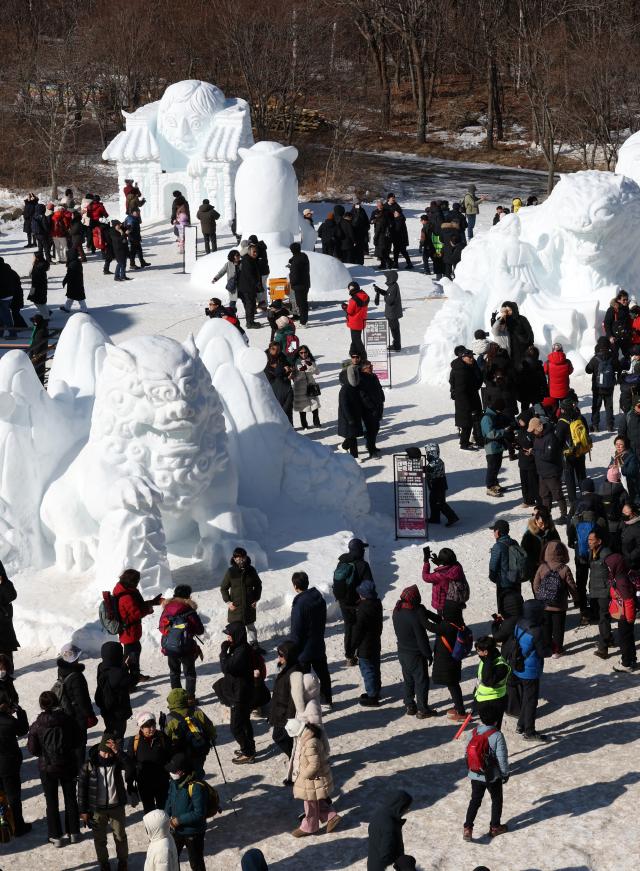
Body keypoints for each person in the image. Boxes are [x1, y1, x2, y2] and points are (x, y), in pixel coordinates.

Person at [27, 690, 81, 847]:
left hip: (47, 766)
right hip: (68, 763)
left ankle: (55, 836)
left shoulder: (37, 725)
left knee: (51, 802)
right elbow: (78, 740)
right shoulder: (68, 720)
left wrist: (44, 754)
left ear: (42, 705)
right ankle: (73, 832)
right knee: (70, 797)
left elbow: (32, 749)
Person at [78, 731, 134, 871]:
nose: (107, 756)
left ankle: (123, 862)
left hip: (117, 807)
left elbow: (131, 766)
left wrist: (117, 751)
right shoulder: (89, 765)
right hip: (97, 809)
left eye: (110, 753)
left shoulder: (116, 761)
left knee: (120, 836)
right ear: (99, 750)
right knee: (100, 839)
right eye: (105, 753)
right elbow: (82, 790)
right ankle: (104, 863)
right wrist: (83, 811)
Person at [463, 706, 509, 841]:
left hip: (475, 773)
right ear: (496, 720)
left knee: (475, 800)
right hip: (492, 776)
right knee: (496, 800)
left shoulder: (473, 732)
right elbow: (502, 757)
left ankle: (467, 828)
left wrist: (472, 770)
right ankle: (495, 827)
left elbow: (467, 754)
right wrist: (505, 773)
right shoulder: (497, 735)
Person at [290, 719, 341, 837]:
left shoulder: (309, 743)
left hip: (312, 779)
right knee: (317, 799)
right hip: (317, 778)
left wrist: (304, 775)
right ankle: (331, 816)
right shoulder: (310, 737)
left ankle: (309, 827)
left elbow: (314, 764)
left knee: (310, 804)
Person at [392, 586, 436, 718]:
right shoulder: (413, 616)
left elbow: (421, 610)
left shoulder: (397, 610)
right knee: (421, 681)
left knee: (408, 679)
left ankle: (410, 705)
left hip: (402, 651)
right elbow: (421, 639)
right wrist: (428, 654)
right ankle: (423, 709)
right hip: (415, 654)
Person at [290, 571, 332, 705]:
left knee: (303, 678)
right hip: (318, 643)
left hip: (304, 649)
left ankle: (305, 703)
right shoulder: (319, 598)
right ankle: (327, 700)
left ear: (296, 586)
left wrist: (293, 648)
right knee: (323, 674)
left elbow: (296, 629)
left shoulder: (299, 605)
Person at [112, 568, 162, 681]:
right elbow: (137, 613)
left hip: (131, 630)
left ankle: (134, 675)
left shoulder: (126, 590)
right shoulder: (126, 596)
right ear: (132, 581)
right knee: (130, 655)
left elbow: (137, 606)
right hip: (129, 631)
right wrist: (149, 609)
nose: (138, 582)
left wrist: (152, 602)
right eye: (137, 580)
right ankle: (126, 680)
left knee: (133, 652)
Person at [55, 642, 97, 772]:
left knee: (70, 741)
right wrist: (90, 715)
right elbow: (82, 699)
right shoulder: (77, 676)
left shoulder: (61, 670)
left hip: (66, 712)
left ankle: (71, 766)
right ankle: (79, 770)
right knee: (79, 743)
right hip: (77, 715)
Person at [423, 601, 468, 721]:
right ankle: (458, 707)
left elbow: (430, 626)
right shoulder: (456, 622)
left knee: (453, 685)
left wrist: (420, 615)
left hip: (448, 662)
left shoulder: (446, 627)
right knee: (453, 684)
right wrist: (426, 612)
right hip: (453, 660)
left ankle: (461, 712)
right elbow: (439, 619)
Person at [511, 600, 549, 741]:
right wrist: (550, 650)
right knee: (531, 700)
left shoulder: (519, 623)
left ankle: (521, 725)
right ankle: (529, 731)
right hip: (530, 670)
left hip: (518, 666)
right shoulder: (536, 631)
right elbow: (542, 652)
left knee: (526, 698)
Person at [217, 623, 255, 763]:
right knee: (244, 722)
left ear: (237, 636)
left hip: (240, 695)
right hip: (240, 692)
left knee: (236, 727)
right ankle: (249, 747)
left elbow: (227, 668)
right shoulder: (239, 648)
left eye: (230, 635)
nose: (228, 638)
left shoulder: (242, 651)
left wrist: (223, 653)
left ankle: (248, 752)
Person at [532, 541, 577, 656]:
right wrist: (576, 597)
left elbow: (535, 584)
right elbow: (571, 585)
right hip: (560, 605)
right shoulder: (564, 568)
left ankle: (547, 647)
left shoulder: (542, 567)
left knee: (546, 627)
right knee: (558, 628)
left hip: (545, 604)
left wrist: (540, 596)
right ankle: (557, 650)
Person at [163, 753, 207, 871]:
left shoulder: (196, 787)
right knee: (172, 859)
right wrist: (165, 815)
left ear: (183, 771)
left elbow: (199, 813)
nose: (171, 773)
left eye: (174, 771)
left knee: (196, 863)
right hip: (176, 830)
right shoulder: (173, 782)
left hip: (193, 832)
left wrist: (179, 820)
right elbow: (169, 800)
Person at [333, 538, 373, 666]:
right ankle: (360, 653)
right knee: (361, 627)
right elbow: (369, 584)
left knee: (349, 627)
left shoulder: (342, 561)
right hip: (358, 602)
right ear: (359, 550)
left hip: (343, 602)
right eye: (362, 549)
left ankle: (349, 656)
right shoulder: (363, 565)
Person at [159, 585, 204, 696]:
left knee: (174, 673)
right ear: (188, 596)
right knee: (189, 674)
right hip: (186, 648)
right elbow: (200, 630)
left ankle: (177, 698)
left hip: (170, 647)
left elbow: (161, 628)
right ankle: (190, 699)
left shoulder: (167, 609)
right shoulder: (189, 610)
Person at [126, 712, 171, 814]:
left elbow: (171, 756)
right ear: (141, 728)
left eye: (153, 725)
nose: (151, 729)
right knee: (149, 812)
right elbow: (130, 764)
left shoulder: (162, 737)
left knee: (164, 811)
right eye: (147, 726)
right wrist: (130, 784)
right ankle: (151, 830)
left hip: (162, 782)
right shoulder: (134, 741)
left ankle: (165, 829)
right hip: (144, 784)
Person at [164, 689, 216, 774]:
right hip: (199, 749)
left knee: (184, 773)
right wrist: (212, 738)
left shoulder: (170, 717)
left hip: (181, 753)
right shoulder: (196, 711)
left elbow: (166, 735)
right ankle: (198, 782)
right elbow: (210, 728)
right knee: (198, 769)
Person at [220, 547, 263, 651]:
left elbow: (258, 585)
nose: (241, 560)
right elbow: (223, 588)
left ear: (246, 557)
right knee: (235, 628)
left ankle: (254, 645)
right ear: (234, 559)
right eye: (238, 558)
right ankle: (235, 646)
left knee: (251, 626)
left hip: (249, 605)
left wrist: (255, 599)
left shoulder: (251, 570)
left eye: (242, 558)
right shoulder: (230, 572)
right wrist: (229, 602)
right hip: (236, 606)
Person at [529, 416, 568, 522]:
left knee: (557, 494)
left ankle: (564, 515)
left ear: (538, 428)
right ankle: (546, 515)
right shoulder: (537, 437)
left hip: (551, 472)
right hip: (542, 472)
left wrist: (534, 452)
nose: (532, 433)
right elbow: (540, 452)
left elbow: (549, 456)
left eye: (533, 430)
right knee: (544, 495)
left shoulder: (551, 437)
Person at [0, 695, 30, 837]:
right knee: (13, 797)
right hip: (9, 764)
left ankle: (3, 825)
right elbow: (23, 729)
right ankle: (18, 826)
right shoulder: (9, 721)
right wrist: (21, 712)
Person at [95, 641, 137, 739]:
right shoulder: (119, 675)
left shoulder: (101, 667)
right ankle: (112, 751)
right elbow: (133, 680)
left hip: (106, 708)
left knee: (110, 729)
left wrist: (124, 667)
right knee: (118, 735)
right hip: (118, 712)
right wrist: (132, 666)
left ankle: (106, 748)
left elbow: (115, 675)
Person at [351, 580, 383, 706]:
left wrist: (352, 647)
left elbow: (358, 631)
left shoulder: (363, 609)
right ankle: (375, 690)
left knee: (367, 670)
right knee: (375, 667)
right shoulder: (376, 603)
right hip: (375, 641)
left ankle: (372, 696)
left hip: (365, 645)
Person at [604, 553, 638, 672]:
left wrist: (629, 618)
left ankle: (626, 663)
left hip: (625, 615)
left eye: (609, 566)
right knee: (628, 638)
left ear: (616, 565)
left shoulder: (621, 580)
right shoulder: (620, 575)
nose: (608, 568)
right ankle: (632, 659)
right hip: (624, 613)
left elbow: (628, 600)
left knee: (624, 640)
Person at [268, 640, 301, 759]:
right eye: (278, 653)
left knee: (280, 737)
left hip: (285, 714)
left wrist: (290, 719)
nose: (278, 657)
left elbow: (294, 699)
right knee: (281, 738)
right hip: (279, 710)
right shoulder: (285, 668)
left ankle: (296, 759)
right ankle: (295, 759)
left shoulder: (294, 673)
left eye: (281, 655)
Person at [367, 790, 414, 871]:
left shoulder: (380, 813)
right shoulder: (390, 826)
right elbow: (386, 853)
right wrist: (401, 862)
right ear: (400, 807)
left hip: (373, 859)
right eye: (407, 807)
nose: (408, 809)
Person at [587, 530, 614, 659]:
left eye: (592, 540)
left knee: (603, 618)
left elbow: (612, 573)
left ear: (599, 541)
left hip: (604, 590)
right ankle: (609, 639)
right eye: (588, 540)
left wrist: (609, 589)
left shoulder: (606, 553)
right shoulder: (591, 552)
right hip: (595, 590)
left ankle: (603, 648)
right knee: (602, 617)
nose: (589, 542)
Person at [450, 348, 483, 450]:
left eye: (472, 356)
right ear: (463, 357)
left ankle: (468, 441)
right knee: (467, 423)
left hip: (470, 398)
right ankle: (464, 444)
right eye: (469, 357)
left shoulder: (466, 366)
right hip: (465, 401)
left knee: (469, 422)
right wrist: (468, 406)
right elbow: (461, 390)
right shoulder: (461, 371)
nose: (472, 358)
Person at [489, 520, 525, 612]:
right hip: (516, 580)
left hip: (504, 584)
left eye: (494, 531)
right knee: (516, 605)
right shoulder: (514, 542)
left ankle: (506, 624)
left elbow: (493, 567)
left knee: (504, 608)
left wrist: (494, 579)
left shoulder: (497, 546)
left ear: (497, 532)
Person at [474, 637, 510, 729]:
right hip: (482, 700)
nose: (477, 652)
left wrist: (488, 660)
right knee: (485, 731)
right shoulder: (485, 660)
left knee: (493, 731)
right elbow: (480, 679)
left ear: (486, 652)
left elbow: (487, 681)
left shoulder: (501, 666)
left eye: (478, 650)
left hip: (495, 702)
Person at [422, 546, 469, 614]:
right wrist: (440, 562)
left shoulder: (440, 575)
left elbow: (425, 577)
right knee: (457, 619)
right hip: (457, 601)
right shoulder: (458, 567)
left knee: (444, 621)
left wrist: (426, 562)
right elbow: (449, 565)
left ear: (442, 561)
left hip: (443, 604)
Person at [520, 507, 560, 589]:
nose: (544, 526)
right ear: (536, 521)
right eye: (541, 523)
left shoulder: (552, 531)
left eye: (546, 523)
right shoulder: (529, 535)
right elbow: (524, 553)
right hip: (535, 570)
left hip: (550, 568)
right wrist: (535, 562)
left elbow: (558, 547)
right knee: (538, 594)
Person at [585, 337, 617, 432]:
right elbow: (618, 367)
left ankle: (595, 425)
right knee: (609, 406)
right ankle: (610, 425)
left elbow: (587, 370)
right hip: (609, 386)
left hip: (597, 387)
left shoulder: (595, 359)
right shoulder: (612, 357)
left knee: (596, 406)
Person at [481, 398, 511, 497]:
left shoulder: (495, 415)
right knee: (492, 467)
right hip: (491, 447)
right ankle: (490, 487)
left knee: (497, 466)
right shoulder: (487, 418)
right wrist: (504, 431)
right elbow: (490, 434)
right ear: (496, 408)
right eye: (500, 410)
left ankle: (495, 484)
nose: (501, 411)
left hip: (498, 445)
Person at [425, 442, 458, 527]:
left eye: (429, 453)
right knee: (432, 501)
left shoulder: (438, 462)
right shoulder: (433, 462)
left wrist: (425, 469)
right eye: (428, 453)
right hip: (434, 485)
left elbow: (432, 470)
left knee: (440, 503)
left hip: (439, 485)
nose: (428, 455)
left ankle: (452, 517)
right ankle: (434, 518)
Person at [359, 360, 385, 459]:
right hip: (368, 409)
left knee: (376, 427)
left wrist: (382, 398)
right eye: (369, 366)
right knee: (371, 429)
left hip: (378, 406)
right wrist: (370, 405)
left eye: (371, 366)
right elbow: (362, 394)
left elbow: (379, 388)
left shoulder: (374, 376)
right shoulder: (362, 378)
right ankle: (371, 450)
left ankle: (372, 446)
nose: (371, 367)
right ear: (364, 368)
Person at [338, 361, 364, 458]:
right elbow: (344, 405)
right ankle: (354, 457)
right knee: (352, 437)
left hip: (355, 415)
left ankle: (343, 446)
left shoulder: (355, 387)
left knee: (352, 435)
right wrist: (349, 418)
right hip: (348, 417)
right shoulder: (345, 389)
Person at [292, 345, 321, 429]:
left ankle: (317, 422)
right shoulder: (296, 362)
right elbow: (296, 377)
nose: (304, 354)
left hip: (311, 385)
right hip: (300, 387)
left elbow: (317, 372)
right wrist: (301, 370)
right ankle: (304, 425)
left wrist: (311, 365)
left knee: (314, 404)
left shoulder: (311, 361)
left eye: (305, 352)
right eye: (301, 352)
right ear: (298, 353)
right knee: (302, 407)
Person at [264, 343, 294, 422]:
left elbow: (290, 366)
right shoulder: (264, 359)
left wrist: (290, 372)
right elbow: (274, 373)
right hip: (273, 388)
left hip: (285, 387)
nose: (276, 351)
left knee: (288, 409)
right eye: (274, 349)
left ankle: (291, 429)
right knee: (277, 411)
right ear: (270, 349)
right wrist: (283, 370)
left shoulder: (282, 357)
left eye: (278, 350)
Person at [374, 270, 402, 352]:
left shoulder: (393, 287)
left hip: (393, 313)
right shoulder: (393, 286)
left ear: (391, 278)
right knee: (394, 329)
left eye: (387, 277)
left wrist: (385, 296)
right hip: (392, 312)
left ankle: (397, 345)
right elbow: (388, 294)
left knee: (394, 329)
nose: (386, 279)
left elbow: (389, 300)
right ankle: (396, 344)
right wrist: (380, 291)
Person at [342, 280, 369, 358]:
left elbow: (350, 311)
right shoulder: (365, 296)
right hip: (362, 320)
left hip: (354, 322)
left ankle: (363, 355)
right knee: (356, 338)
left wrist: (345, 307)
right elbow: (359, 307)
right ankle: (352, 352)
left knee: (356, 340)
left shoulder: (353, 300)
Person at [238, 244, 263, 329]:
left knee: (251, 305)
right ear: (249, 252)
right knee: (250, 305)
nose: (255, 253)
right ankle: (250, 323)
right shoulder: (248, 260)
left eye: (256, 252)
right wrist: (257, 284)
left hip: (249, 287)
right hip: (247, 288)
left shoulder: (251, 259)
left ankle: (251, 321)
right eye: (254, 252)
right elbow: (250, 275)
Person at [288, 242, 311, 326]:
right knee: (303, 303)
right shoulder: (303, 257)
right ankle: (302, 319)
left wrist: (292, 283)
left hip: (299, 285)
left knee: (301, 304)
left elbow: (295, 274)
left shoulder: (296, 261)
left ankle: (303, 322)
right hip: (305, 283)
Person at [0, 562, 18, 667]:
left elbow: (12, 596)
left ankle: (8, 672)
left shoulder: (6, 584)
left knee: (6, 650)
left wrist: (3, 584)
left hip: (3, 622)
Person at [604, 289, 632, 355]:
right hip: (614, 338)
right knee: (614, 357)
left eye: (626, 299)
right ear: (619, 300)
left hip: (625, 337)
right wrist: (610, 336)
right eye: (624, 300)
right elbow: (606, 324)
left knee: (628, 355)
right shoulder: (612, 309)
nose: (626, 301)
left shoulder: (627, 308)